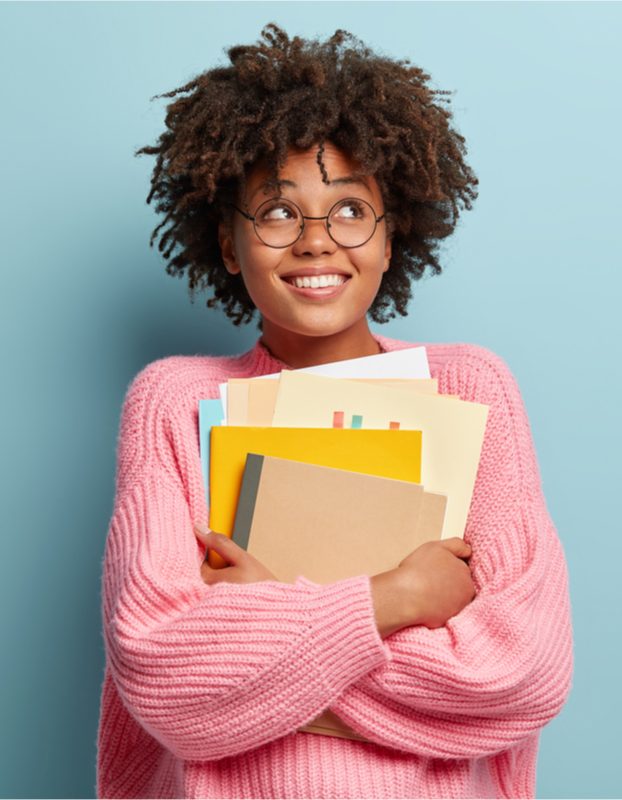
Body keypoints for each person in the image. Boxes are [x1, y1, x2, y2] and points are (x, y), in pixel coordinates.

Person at [96, 23, 574, 799]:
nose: (316, 242)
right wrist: (398, 599)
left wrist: (265, 640)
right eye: (279, 214)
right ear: (227, 243)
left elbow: (522, 672)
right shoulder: (174, 402)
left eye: (350, 210)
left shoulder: (472, 388)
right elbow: (165, 677)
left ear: (392, 237)